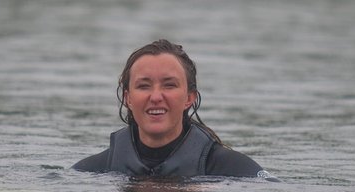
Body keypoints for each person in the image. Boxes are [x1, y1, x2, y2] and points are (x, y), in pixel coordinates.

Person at [73, 39, 272, 179]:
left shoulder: (232, 170)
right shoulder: (92, 172)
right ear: (128, 99)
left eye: (169, 85)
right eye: (144, 86)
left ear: (189, 98)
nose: (156, 97)